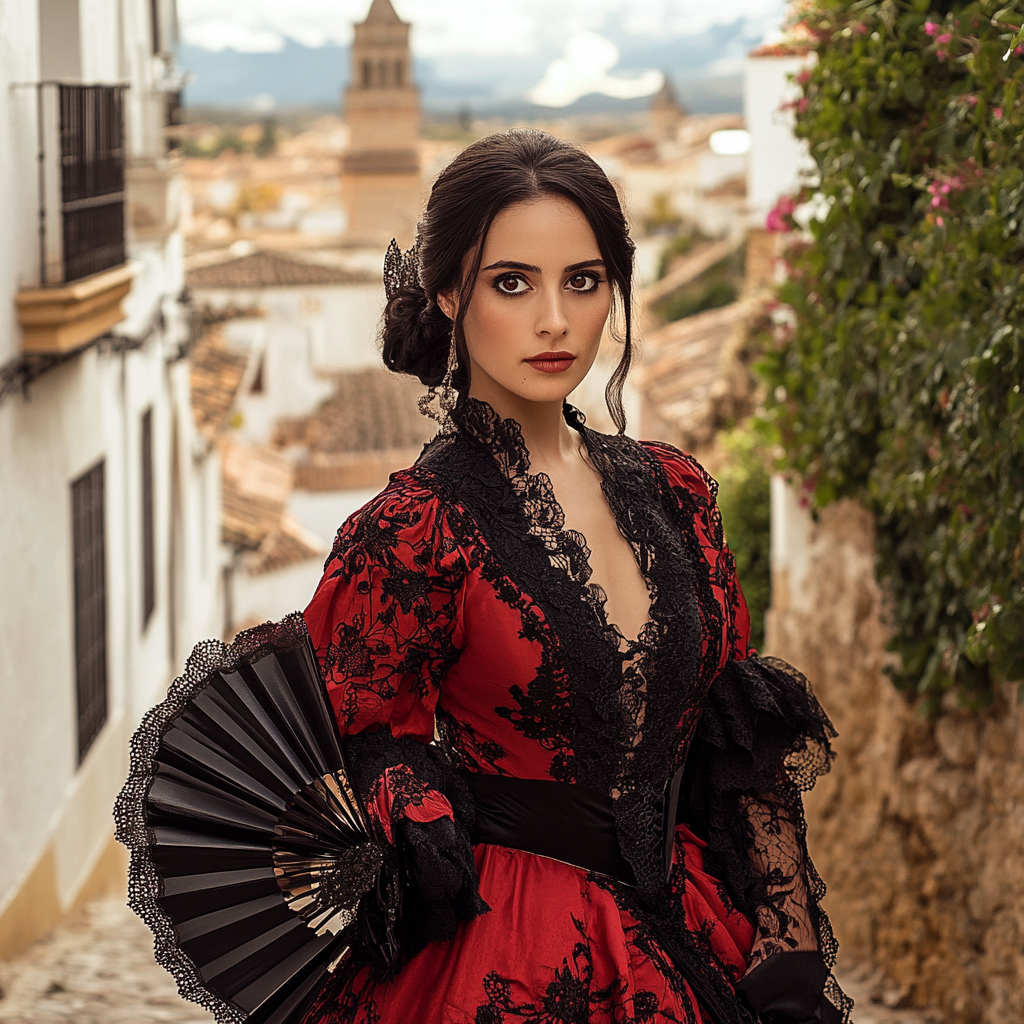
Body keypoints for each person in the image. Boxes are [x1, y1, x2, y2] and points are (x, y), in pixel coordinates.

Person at [301, 129, 850, 1024]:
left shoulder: (677, 494)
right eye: (511, 283)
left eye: (583, 281)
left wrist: (785, 943)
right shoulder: (411, 535)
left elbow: (732, 737)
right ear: (448, 293)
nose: (554, 319)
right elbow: (360, 742)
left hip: (696, 925)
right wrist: (413, 804)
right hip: (511, 947)